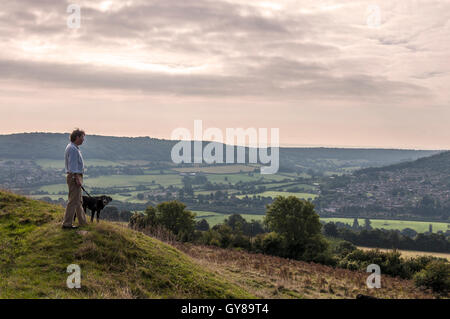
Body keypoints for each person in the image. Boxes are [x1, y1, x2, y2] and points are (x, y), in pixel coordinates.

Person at [62, 129, 88, 229]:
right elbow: (73, 167)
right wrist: (77, 179)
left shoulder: (73, 147)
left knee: (78, 201)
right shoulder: (72, 149)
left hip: (75, 176)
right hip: (74, 176)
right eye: (82, 137)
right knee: (73, 201)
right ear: (77, 137)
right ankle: (67, 224)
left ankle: (82, 222)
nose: (83, 140)